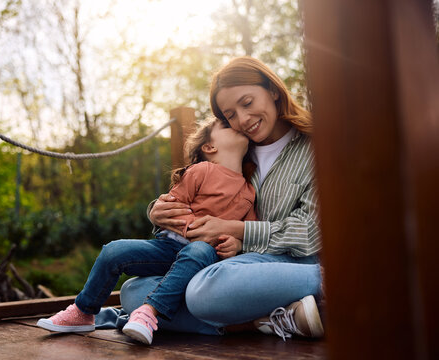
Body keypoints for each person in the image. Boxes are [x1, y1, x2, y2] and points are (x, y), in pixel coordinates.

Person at [117, 56, 324, 341]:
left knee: (204, 291)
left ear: (274, 91)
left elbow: (310, 234)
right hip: (233, 265)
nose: (242, 120)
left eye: (247, 102)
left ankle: (330, 282)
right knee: (133, 292)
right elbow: (195, 192)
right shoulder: (235, 152)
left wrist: (231, 229)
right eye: (230, 114)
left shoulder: (317, 146)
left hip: (292, 262)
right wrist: (157, 212)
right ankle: (269, 321)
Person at [37, 116, 257, 345]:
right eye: (226, 125)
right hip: (168, 245)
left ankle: (149, 313)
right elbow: (172, 207)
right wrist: (193, 226)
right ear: (209, 147)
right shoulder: (201, 171)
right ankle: (83, 311)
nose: (236, 125)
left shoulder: (249, 191)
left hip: (204, 256)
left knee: (199, 250)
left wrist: (237, 245)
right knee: (114, 250)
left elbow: (246, 231)